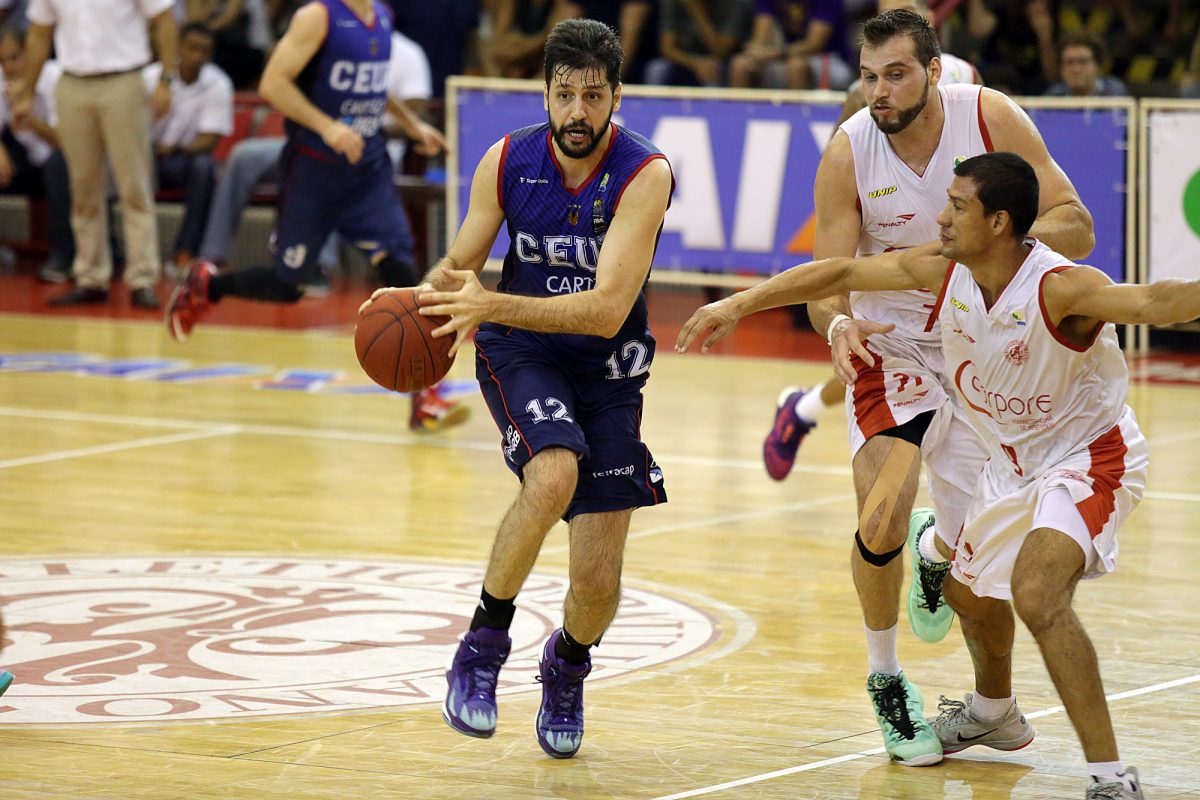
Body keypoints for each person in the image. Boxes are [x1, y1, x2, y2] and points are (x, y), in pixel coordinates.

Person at [677, 150, 1171, 799]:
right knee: (967, 597)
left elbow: (1157, 300)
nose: (940, 217)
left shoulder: (1059, 287)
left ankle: (1112, 779)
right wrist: (740, 303)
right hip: (1011, 463)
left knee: (1036, 595)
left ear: (998, 222)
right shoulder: (945, 270)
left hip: (1087, 457)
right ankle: (992, 711)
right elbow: (842, 269)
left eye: (957, 206)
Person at [761, 8, 1095, 767]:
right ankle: (885, 678)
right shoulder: (848, 152)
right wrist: (836, 325)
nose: (879, 91)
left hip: (981, 346)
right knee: (881, 513)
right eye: (869, 77)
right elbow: (828, 281)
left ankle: (991, 699)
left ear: (934, 71)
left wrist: (991, 244)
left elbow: (1076, 225)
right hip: (893, 347)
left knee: (984, 575)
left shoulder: (991, 118)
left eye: (896, 74)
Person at [372, 18, 673, 758]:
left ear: (616, 98)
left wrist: (489, 302)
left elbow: (607, 311)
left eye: (593, 96)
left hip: (607, 367)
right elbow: (459, 266)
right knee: (553, 472)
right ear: (545, 94)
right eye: (564, 95)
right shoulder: (507, 160)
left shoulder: (644, 174)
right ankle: (481, 647)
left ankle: (567, 665)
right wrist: (413, 300)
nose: (578, 111)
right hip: (523, 351)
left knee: (597, 578)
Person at [166, 0, 467, 430]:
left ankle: (425, 394)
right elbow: (273, 84)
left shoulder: (381, 16)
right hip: (314, 173)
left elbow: (374, 87)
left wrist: (411, 125)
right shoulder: (318, 16)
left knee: (402, 268)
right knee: (288, 285)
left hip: (366, 169)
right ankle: (207, 285)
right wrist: (328, 126)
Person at [15, 0, 177, 311]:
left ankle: (142, 278)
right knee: (83, 188)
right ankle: (90, 276)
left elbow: (165, 22)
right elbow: (38, 34)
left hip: (124, 80)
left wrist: (166, 80)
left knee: (134, 186)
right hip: (72, 83)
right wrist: (27, 91)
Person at [145, 22, 234, 272]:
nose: (198, 56)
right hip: (142, 157)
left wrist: (172, 149)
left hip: (178, 161)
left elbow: (209, 140)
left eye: (204, 50)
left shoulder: (218, 83)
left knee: (205, 167)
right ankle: (117, 251)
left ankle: (185, 252)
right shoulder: (150, 78)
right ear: (178, 48)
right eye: (192, 48)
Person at [729, 0, 854, 90]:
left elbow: (813, 45)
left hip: (830, 61)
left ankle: (800, 116)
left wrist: (771, 54)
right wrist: (755, 53)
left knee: (796, 66)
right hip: (785, 57)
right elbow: (761, 38)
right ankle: (739, 117)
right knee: (741, 64)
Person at [1043, 31, 1128, 98]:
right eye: (1069, 62)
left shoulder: (1114, 92)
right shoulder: (1054, 96)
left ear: (1098, 65)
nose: (1075, 69)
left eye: (1083, 62)